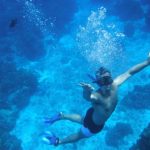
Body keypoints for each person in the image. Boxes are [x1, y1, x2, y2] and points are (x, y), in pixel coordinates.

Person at [42, 53, 150, 146]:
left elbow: (130, 72)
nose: (107, 85)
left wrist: (146, 62)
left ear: (111, 78)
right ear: (98, 82)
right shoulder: (97, 96)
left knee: (82, 119)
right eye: (102, 82)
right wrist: (86, 90)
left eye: (108, 80)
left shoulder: (115, 84)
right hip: (94, 125)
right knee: (80, 135)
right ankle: (58, 141)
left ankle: (62, 116)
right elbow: (88, 97)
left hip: (92, 115)